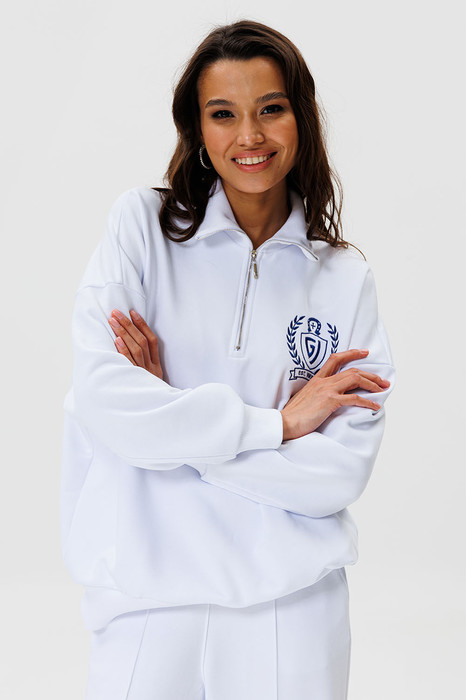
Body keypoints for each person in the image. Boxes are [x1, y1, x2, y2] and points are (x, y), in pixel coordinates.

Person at [61, 19, 394, 700]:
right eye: (223, 114)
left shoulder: (343, 279)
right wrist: (278, 426)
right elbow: (104, 402)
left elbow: (337, 474)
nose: (250, 136)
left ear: (301, 118)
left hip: (292, 606)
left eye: (270, 109)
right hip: (147, 598)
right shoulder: (141, 230)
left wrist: (173, 425)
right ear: (197, 129)